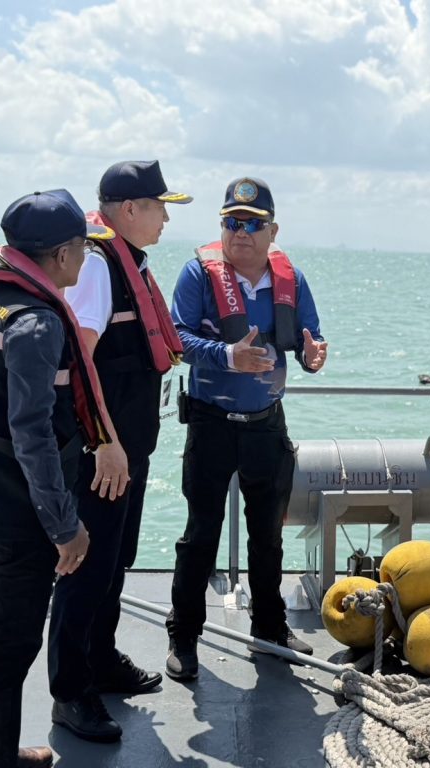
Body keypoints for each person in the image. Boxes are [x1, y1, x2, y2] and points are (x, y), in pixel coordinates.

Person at [0, 189, 119, 767]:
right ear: (63, 254)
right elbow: (33, 436)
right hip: (22, 517)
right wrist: (65, 526)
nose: (87, 259)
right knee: (7, 649)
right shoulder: (37, 323)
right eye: (85, 249)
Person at [48, 161, 190, 741]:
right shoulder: (97, 268)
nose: (165, 220)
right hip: (102, 453)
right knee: (86, 568)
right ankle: (70, 693)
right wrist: (105, 441)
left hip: (128, 449)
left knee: (114, 560)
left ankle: (100, 660)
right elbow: (82, 361)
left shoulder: (128, 261)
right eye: (159, 207)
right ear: (129, 209)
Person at [165, 177, 328, 681]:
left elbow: (311, 341)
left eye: (253, 224)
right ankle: (183, 635)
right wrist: (227, 356)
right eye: (232, 222)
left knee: (267, 536)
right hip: (211, 424)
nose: (241, 232)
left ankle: (270, 628)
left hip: (265, 427)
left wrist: (314, 356)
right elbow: (176, 339)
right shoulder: (198, 274)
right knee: (200, 535)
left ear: (272, 232)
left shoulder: (292, 280)